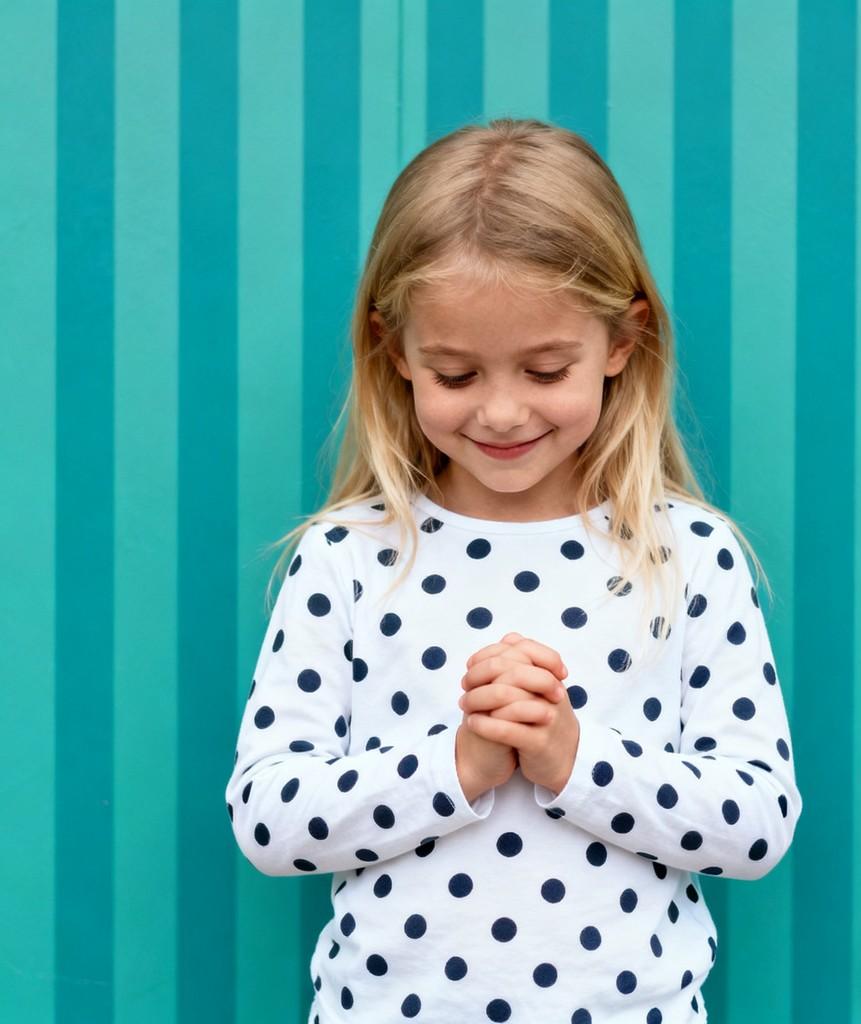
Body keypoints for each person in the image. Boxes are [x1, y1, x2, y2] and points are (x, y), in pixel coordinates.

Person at [224, 117, 802, 1024]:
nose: (500, 411)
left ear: (622, 341)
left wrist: (573, 760)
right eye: (455, 374)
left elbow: (758, 821)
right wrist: (458, 764)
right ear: (394, 353)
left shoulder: (685, 555)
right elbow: (267, 818)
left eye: (544, 368)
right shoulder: (348, 558)